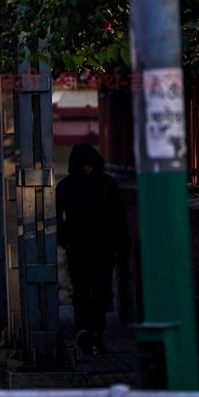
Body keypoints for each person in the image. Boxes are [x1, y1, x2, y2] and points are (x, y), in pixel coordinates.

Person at [56, 143, 128, 357]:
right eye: (83, 166)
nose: (87, 170)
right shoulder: (107, 185)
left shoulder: (67, 187)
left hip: (91, 248)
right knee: (85, 291)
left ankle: (91, 332)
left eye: (89, 166)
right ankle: (89, 332)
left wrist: (64, 239)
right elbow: (118, 215)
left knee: (96, 292)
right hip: (88, 248)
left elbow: (118, 216)